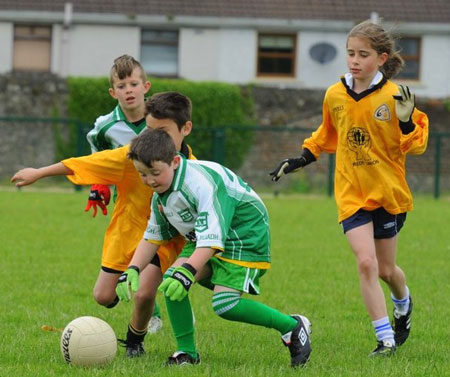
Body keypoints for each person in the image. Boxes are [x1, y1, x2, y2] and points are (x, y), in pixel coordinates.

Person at [269, 20, 429, 357]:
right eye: (351, 53)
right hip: (352, 194)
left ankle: (403, 304)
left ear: (382, 58)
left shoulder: (394, 95)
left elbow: (415, 144)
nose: (354, 61)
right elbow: (326, 134)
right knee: (366, 263)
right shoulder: (335, 94)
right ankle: (384, 339)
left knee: (387, 270)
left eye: (363, 54)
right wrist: (300, 159)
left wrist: (403, 120)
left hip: (387, 193)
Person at [11, 92, 195, 358]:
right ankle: (135, 290)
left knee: (144, 293)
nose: (153, 137)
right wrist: (39, 173)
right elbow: (86, 163)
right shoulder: (131, 157)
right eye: (149, 129)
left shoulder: (195, 168)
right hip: (128, 232)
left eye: (163, 131)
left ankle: (135, 340)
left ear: (185, 128)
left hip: (166, 239)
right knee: (103, 296)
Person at [116, 128, 312, 368]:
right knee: (171, 283)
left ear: (175, 162)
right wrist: (132, 269)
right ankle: (186, 353)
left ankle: (292, 326)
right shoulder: (160, 195)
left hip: (243, 234)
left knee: (224, 304)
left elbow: (213, 238)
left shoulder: (199, 184)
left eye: (155, 173)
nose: (149, 180)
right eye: (142, 174)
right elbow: (152, 238)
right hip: (206, 236)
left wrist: (188, 270)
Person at [82, 54, 163, 333]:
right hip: (128, 208)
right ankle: (146, 300)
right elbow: (99, 160)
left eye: (133, 84)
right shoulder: (104, 126)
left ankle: (157, 312)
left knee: (152, 265)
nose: (128, 90)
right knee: (105, 296)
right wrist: (99, 187)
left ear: (146, 86)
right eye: (121, 85)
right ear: (112, 92)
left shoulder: (160, 120)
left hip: (164, 208)